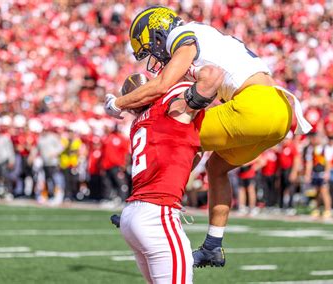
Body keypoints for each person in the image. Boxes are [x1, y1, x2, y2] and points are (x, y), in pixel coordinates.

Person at [104, 5, 312, 267]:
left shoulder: (184, 35)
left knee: (174, 131)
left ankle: (149, 205)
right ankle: (213, 246)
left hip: (256, 106)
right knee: (215, 167)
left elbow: (161, 85)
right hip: (279, 111)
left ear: (159, 32)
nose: (154, 56)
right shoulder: (205, 39)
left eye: (150, 47)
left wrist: (117, 103)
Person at [115, 71, 222, 283]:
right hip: (158, 213)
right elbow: (212, 76)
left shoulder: (138, 123)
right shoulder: (167, 108)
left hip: (134, 213)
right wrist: (186, 67)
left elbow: (184, 157)